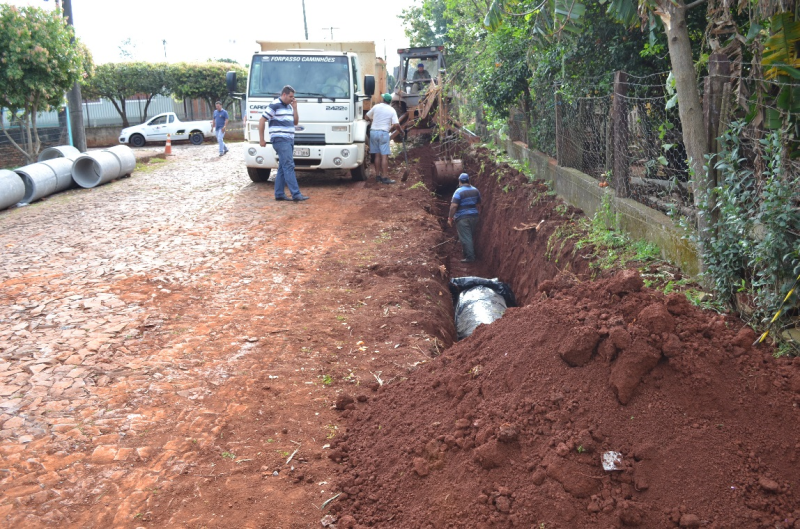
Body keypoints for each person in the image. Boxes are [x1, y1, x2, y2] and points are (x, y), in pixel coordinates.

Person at [258, 85, 310, 202]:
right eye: (291, 96)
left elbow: (295, 122)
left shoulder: (289, 107)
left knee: (282, 167)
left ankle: (279, 194)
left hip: (289, 140)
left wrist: (295, 108)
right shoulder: (274, 104)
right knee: (289, 166)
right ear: (284, 94)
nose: (292, 99)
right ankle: (296, 194)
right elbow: (262, 120)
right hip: (280, 140)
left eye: (293, 97)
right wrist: (262, 139)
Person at [365, 93, 401, 184]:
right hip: (383, 133)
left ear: (383, 100)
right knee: (384, 156)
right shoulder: (392, 110)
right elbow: (396, 124)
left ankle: (377, 176)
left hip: (373, 132)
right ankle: (385, 177)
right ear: (390, 102)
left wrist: (372, 120)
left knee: (377, 155)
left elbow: (366, 116)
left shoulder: (376, 107)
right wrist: (402, 132)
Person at [448, 173, 481, 263]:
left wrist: (450, 218)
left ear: (460, 181)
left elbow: (453, 206)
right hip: (474, 216)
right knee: (469, 236)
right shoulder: (475, 190)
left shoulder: (458, 191)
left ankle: (470, 257)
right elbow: (478, 202)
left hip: (463, 218)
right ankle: (468, 253)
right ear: (468, 180)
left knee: (466, 238)